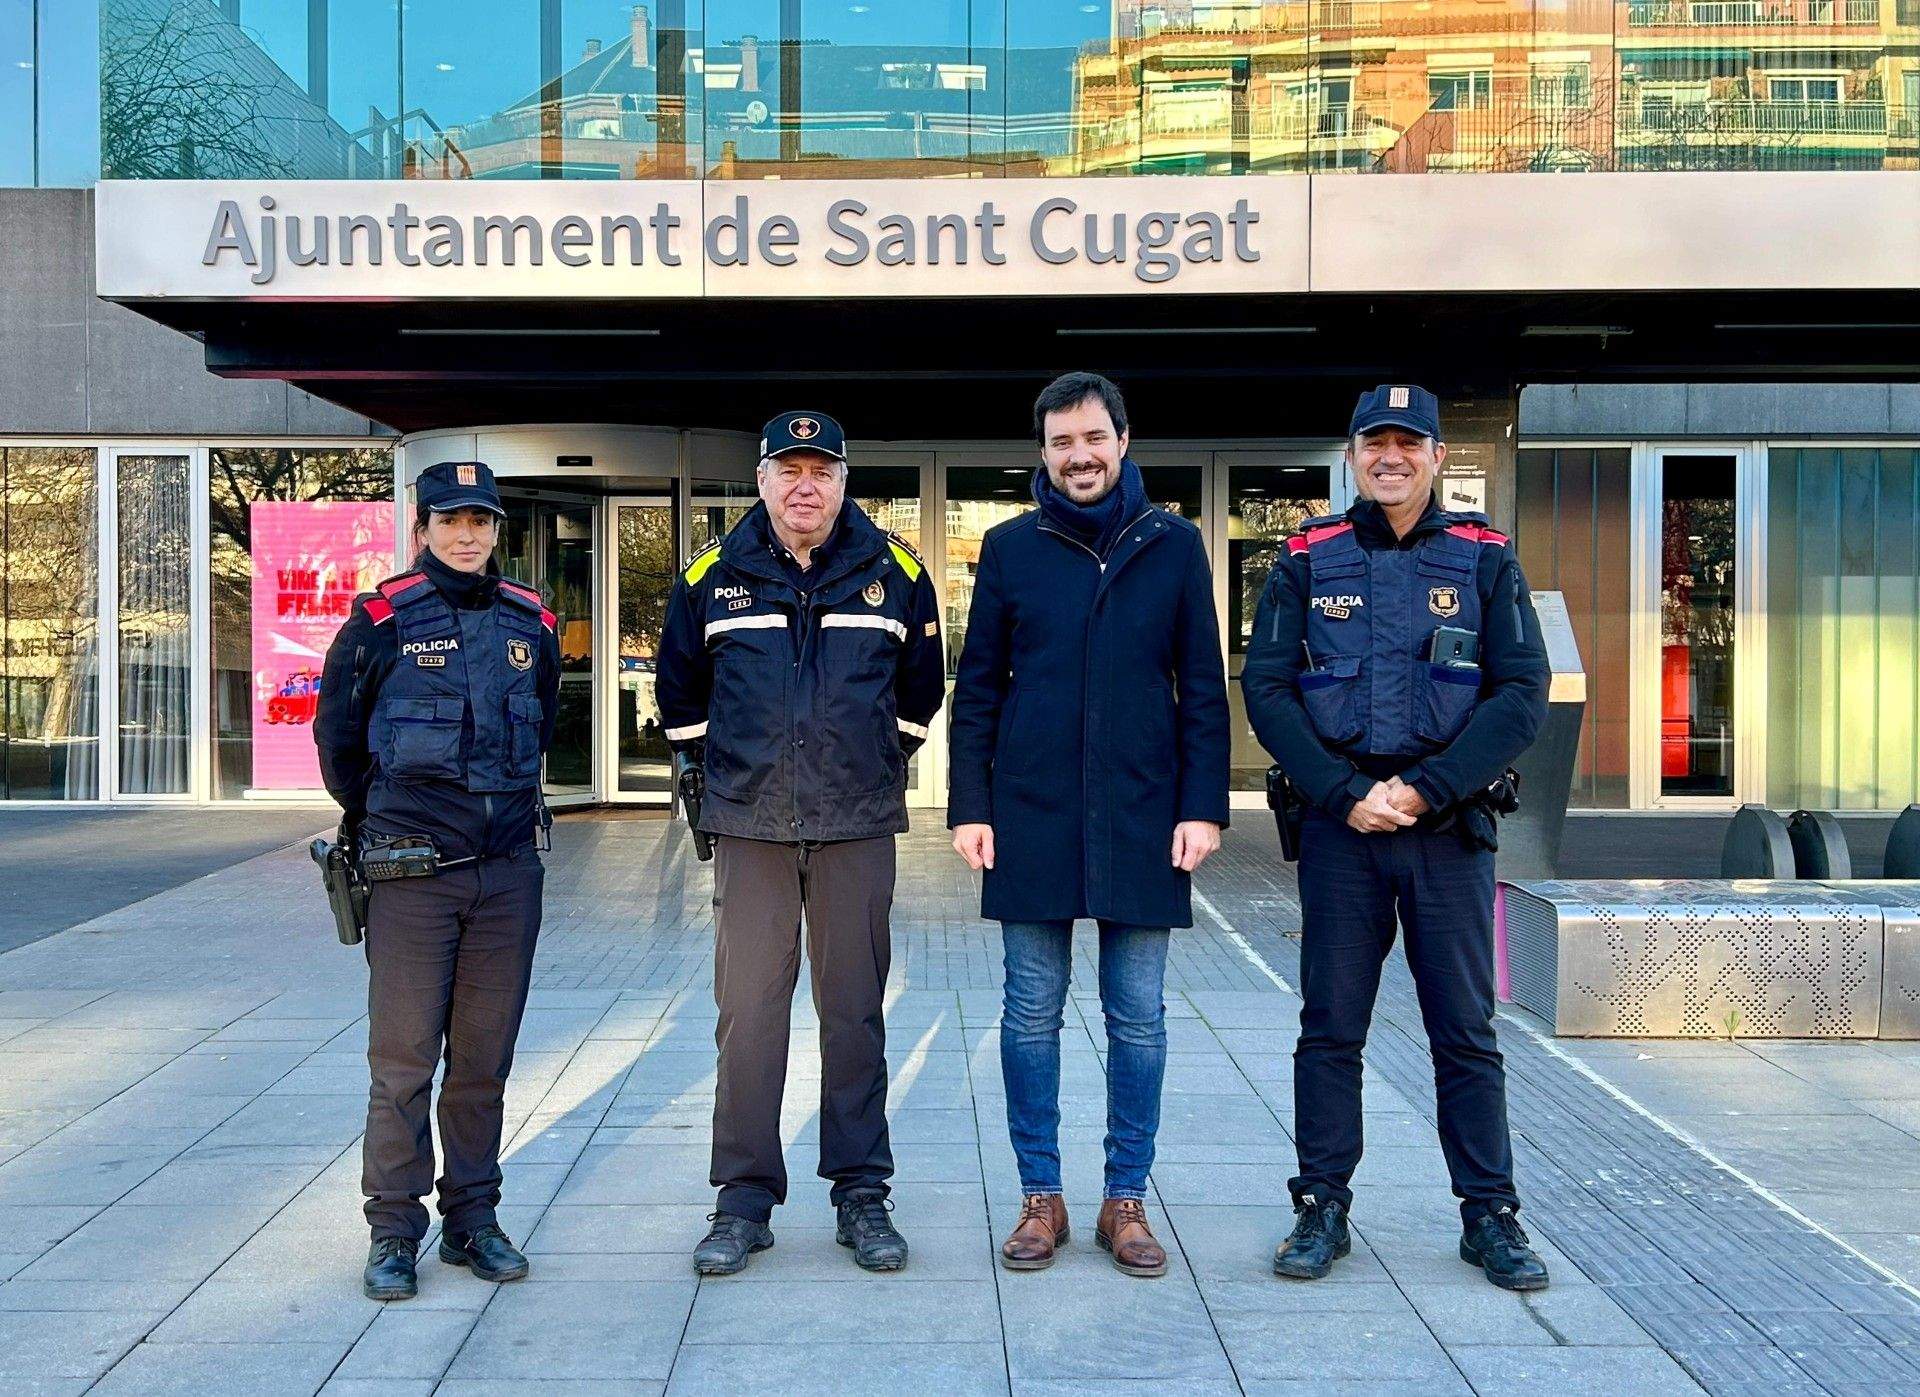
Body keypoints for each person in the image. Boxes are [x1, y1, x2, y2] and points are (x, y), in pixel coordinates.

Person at [1242, 385, 1551, 1290]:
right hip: (1344, 833)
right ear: (1352, 454)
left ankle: (1489, 1214)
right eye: (1375, 442)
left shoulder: (1487, 557)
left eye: (1408, 444)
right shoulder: (1306, 556)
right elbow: (1268, 689)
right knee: (1330, 1027)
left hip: (1450, 830)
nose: (1391, 457)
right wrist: (1344, 793)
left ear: (1436, 455)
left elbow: (1520, 692)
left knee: (1464, 1029)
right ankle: (1321, 1207)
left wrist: (1423, 789)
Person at [949, 372, 1230, 1278]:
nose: (1079, 455)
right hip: (1030, 812)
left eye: (1093, 437)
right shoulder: (1008, 549)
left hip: (1146, 811)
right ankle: (1042, 1196)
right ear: (1043, 451)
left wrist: (1202, 805)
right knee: (1029, 1013)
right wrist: (970, 804)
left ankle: (1125, 1199)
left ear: (1123, 439)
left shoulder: (1175, 545)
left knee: (1137, 1017)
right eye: (1062, 441)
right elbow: (978, 691)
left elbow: (1203, 690)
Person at [654, 410, 945, 1276]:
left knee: (852, 1015)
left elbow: (920, 694)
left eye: (821, 469)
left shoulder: (894, 573)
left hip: (855, 825)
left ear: (844, 480)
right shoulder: (713, 576)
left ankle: (861, 1193)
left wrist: (868, 764)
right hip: (750, 830)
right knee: (748, 1018)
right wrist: (730, 777)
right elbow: (680, 699)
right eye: (789, 469)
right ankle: (742, 1200)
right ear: (763, 479)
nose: (805, 485)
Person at [316, 460, 561, 1302]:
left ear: (497, 530)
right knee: (404, 1059)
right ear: (421, 528)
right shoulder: (379, 621)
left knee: (484, 1061)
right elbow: (340, 747)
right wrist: (386, 824)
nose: (467, 535)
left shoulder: (531, 619)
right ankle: (393, 1229)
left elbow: (544, 727)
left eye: (481, 521)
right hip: (414, 876)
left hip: (506, 876)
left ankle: (473, 1218)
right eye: (451, 520)